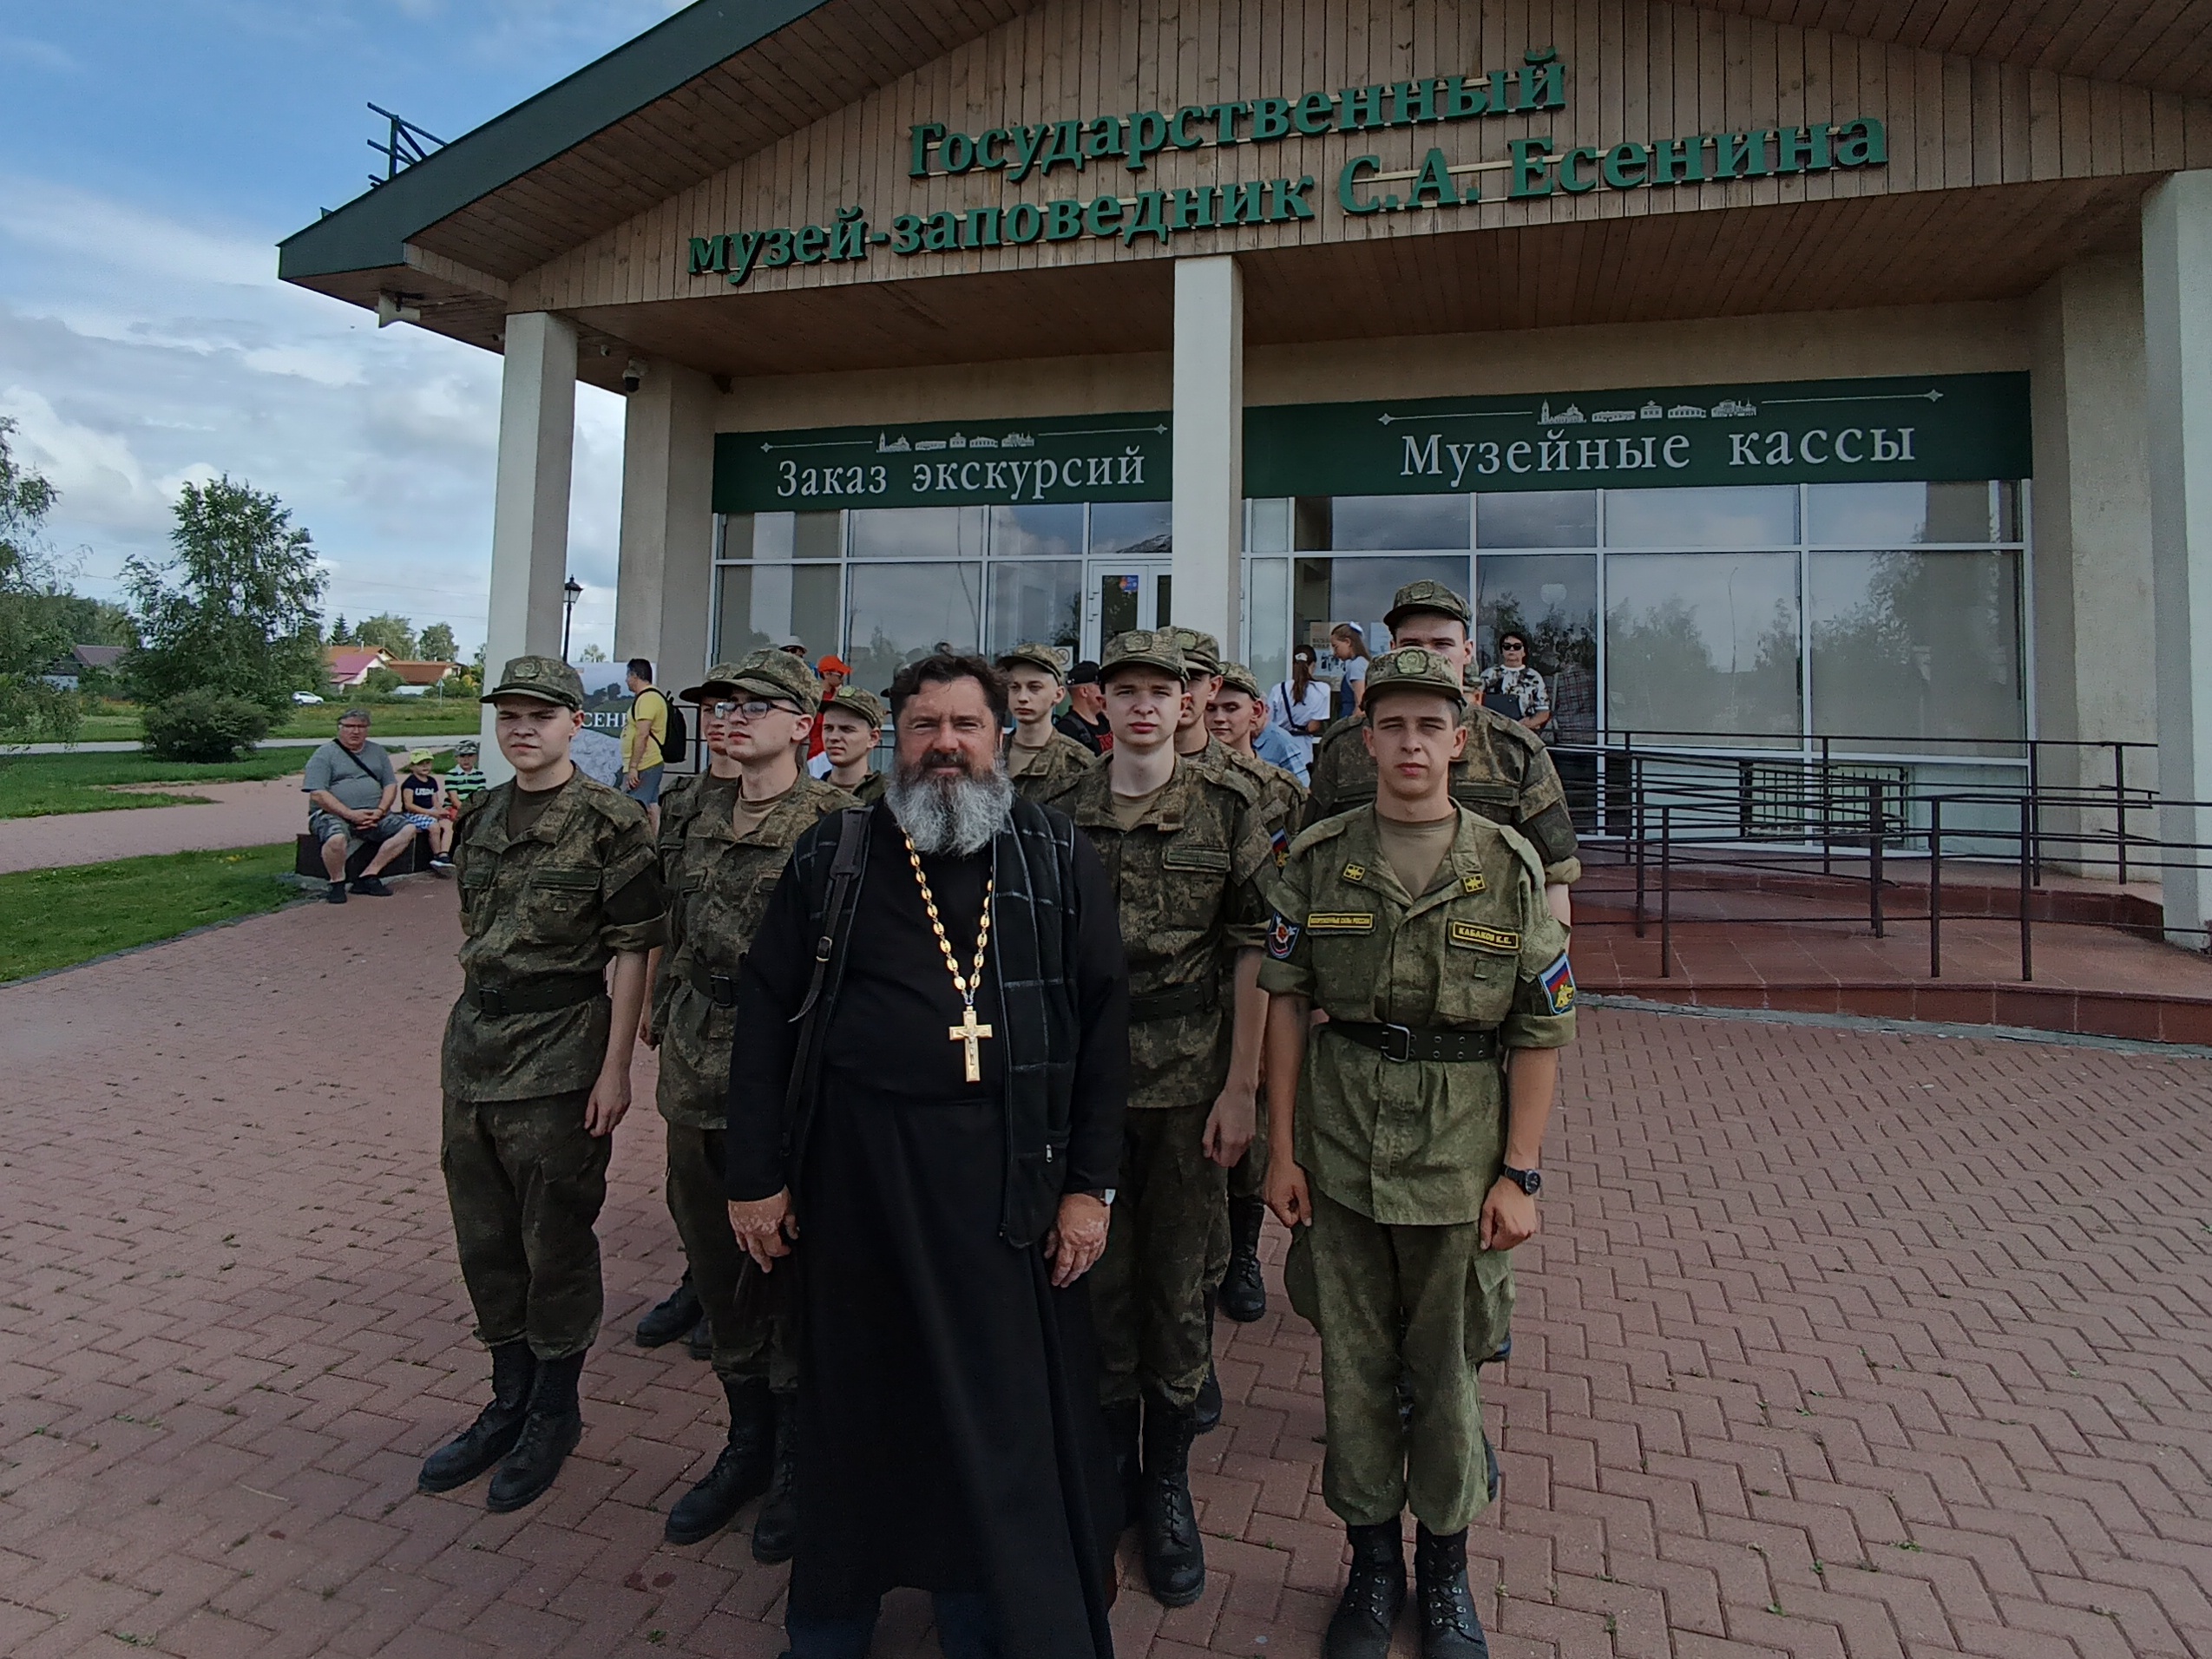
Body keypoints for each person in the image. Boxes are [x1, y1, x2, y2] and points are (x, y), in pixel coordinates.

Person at [725, 652, 1127, 1659]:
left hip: (1003, 1188)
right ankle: (831, 1615)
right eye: (922, 725)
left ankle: (980, 1607)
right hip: (855, 1179)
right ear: (893, 740)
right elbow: (765, 1023)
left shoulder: (1054, 854)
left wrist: (1088, 1188)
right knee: (857, 1411)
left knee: (989, 1419)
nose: (944, 743)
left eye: (965, 725)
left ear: (1001, 739)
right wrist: (755, 1175)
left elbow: (1105, 1029)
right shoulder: (837, 852)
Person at [1262, 645, 1575, 1659]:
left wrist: (1517, 1172)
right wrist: (1281, 1151)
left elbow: (1539, 1029)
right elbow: (1283, 1007)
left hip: (1456, 1159)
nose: (1409, 741)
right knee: (1352, 1370)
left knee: (1445, 1378)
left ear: (1459, 737)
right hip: (1343, 1150)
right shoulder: (1316, 857)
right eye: (1390, 723)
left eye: (1428, 724)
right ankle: (1368, 1569)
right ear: (1366, 737)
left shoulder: (1505, 864)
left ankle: (1445, 1575)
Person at [1035, 630, 1274, 1609]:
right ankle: (1103, 1484)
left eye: (1159, 691)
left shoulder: (1226, 809)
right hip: (1079, 1083)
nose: (1141, 705)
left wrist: (1241, 1088)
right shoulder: (1050, 811)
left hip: (1185, 1086)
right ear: (1099, 705)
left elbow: (1258, 950)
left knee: (1179, 1284)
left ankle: (1165, 1485)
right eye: (1122, 689)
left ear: (1187, 704)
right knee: (1088, 1284)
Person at [417, 655, 666, 1513]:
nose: (522, 728)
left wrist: (616, 1070)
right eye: (509, 715)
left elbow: (633, 943)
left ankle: (554, 1411)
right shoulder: (481, 815)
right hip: (474, 1048)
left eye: (540, 714)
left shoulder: (609, 821)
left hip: (562, 1050)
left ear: (574, 724)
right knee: (484, 1237)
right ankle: (507, 1397)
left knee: (552, 1237)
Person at [643, 652, 854, 1551]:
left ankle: (806, 1460)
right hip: (697, 1060)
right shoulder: (689, 813)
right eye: (717, 706)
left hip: (795, 1072)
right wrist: (658, 1007)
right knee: (715, 1255)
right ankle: (746, 1441)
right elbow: (670, 925)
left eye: (751, 706)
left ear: (802, 722)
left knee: (797, 1266)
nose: (727, 719)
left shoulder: (840, 825)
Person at [1303, 580, 1581, 922]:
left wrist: (1549, 968)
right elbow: (1310, 863)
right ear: (1391, 649)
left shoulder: (1513, 750)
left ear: (1467, 651)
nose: (1426, 656)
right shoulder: (1346, 746)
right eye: (1411, 644)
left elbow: (1555, 876)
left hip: (1481, 951)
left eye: (1441, 644)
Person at [1203, 662, 1309, 1326]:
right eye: (1212, 706)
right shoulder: (1182, 783)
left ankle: (1243, 1255)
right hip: (1196, 981)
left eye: (1232, 707)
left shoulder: (1279, 792)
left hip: (1257, 976)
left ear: (1256, 717)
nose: (1219, 717)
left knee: (1255, 1126)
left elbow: (1294, 898)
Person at [303, 706, 420, 902]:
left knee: (408, 829)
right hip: (333, 814)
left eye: (361, 726)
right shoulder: (324, 754)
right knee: (336, 839)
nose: (355, 731)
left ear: (367, 729)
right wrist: (350, 814)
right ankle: (336, 883)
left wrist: (380, 811)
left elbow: (390, 784)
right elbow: (318, 794)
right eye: (349, 726)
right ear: (339, 728)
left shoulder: (377, 751)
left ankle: (369, 875)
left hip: (375, 814)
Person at [998, 641, 1095, 796]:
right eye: (1014, 687)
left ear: (1058, 695)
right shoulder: (991, 755)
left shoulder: (1080, 765)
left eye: (1034, 687)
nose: (1022, 697)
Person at [1268, 646, 1333, 778]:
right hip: (1303, 752)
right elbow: (1313, 726)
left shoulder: (1278, 689)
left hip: (1278, 748)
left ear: (1293, 665)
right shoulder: (1322, 690)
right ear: (1313, 665)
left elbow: (1268, 722)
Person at [816, 685, 888, 804]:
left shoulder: (890, 798)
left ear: (873, 738)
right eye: (828, 728)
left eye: (847, 729)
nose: (834, 737)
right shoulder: (806, 795)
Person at [622, 658, 672, 830]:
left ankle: (639, 843)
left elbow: (642, 733)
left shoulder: (648, 699)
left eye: (628, 675)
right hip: (647, 762)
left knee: (634, 806)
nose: (627, 680)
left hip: (645, 763)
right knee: (651, 805)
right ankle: (654, 843)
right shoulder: (648, 698)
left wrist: (634, 766)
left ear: (635, 675)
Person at [1476, 632, 1551, 734]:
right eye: (1507, 646)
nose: (1511, 650)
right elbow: (1474, 702)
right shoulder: (1488, 675)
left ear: (1524, 652)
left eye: (1517, 646)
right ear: (1502, 651)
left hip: (1524, 734)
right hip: (1492, 733)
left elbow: (1544, 711)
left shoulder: (1534, 677)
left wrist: (1530, 723)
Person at [398, 749, 455, 869]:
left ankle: (444, 854)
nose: (425, 766)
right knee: (434, 826)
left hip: (431, 811)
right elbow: (409, 805)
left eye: (428, 763)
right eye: (420, 764)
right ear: (412, 767)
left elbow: (436, 801)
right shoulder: (410, 783)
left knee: (448, 825)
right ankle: (437, 855)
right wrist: (430, 812)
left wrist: (441, 811)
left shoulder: (432, 782)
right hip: (414, 814)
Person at [1057, 660, 1111, 755]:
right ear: (1084, 691)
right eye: (1100, 685)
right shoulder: (1067, 730)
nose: (1105, 690)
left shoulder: (1105, 719)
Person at [1329, 624, 1369, 719]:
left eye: (1335, 647)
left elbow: (1360, 703)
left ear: (1348, 642)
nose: (1335, 653)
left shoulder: (1356, 665)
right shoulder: (1363, 662)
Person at [443, 739, 489, 806]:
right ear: (456, 757)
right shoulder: (451, 775)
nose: (466, 759)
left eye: (470, 755)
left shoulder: (480, 775)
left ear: (476, 757)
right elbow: (453, 798)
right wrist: (465, 810)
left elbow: (480, 795)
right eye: (462, 756)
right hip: (454, 806)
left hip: (473, 806)